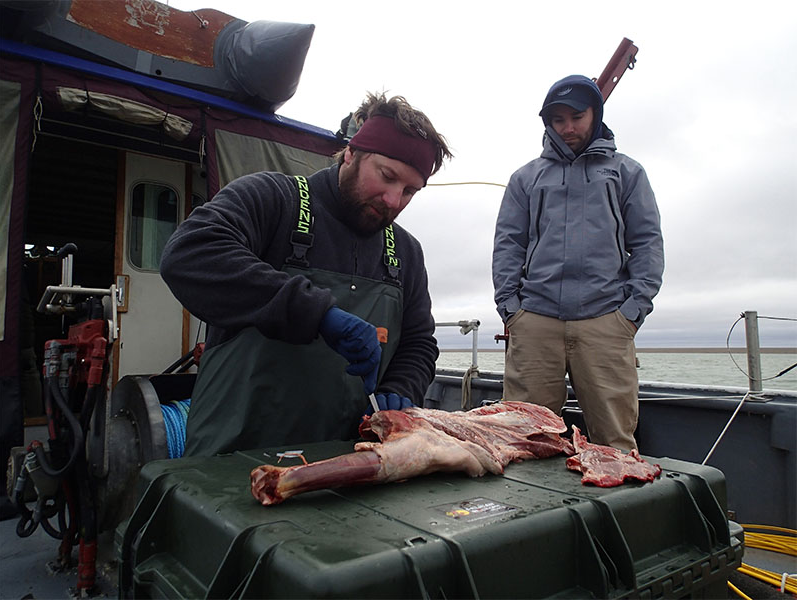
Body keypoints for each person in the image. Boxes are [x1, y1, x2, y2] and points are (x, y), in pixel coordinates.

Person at [160, 92, 452, 457]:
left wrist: (402, 386)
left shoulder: (406, 253)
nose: (394, 201)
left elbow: (418, 342)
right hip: (233, 459)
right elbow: (190, 253)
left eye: (410, 190)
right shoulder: (273, 198)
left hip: (348, 465)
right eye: (387, 176)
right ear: (351, 153)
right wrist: (318, 314)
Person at [492, 74, 664, 452]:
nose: (568, 128)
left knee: (615, 443)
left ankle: (618, 509)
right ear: (548, 123)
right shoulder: (525, 179)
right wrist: (511, 310)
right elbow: (508, 245)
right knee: (523, 439)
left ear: (595, 115)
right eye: (558, 120)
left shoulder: (627, 173)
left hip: (606, 322)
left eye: (577, 117)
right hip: (534, 322)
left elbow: (647, 243)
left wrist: (631, 313)